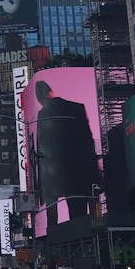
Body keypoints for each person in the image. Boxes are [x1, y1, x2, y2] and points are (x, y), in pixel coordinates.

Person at [33, 78, 100, 225]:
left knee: (53, 224)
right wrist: (94, 173)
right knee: (79, 218)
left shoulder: (41, 116)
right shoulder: (76, 107)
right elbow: (88, 142)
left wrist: (41, 188)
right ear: (51, 91)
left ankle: (56, 244)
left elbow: (41, 153)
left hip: (53, 178)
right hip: (77, 174)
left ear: (40, 98)